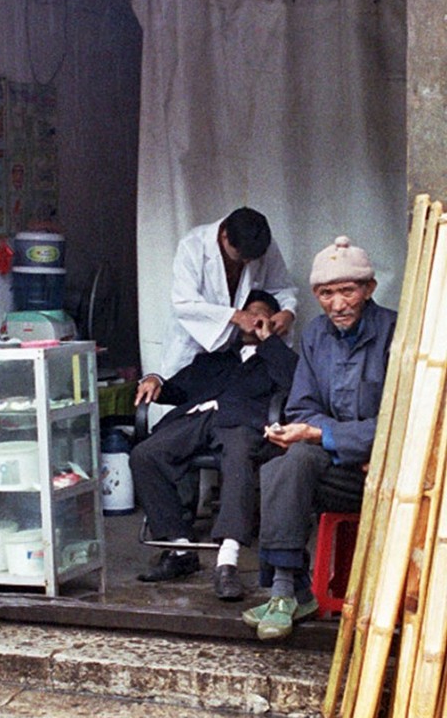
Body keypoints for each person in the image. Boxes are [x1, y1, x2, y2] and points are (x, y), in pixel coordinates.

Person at [244, 236, 397, 641]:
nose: (337, 304)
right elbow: (303, 407)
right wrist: (314, 433)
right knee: (287, 460)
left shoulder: (396, 333)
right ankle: (286, 590)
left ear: (369, 289)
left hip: (389, 473)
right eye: (326, 293)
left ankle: (287, 590)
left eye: (348, 290)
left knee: (298, 459)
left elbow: (401, 422)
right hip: (340, 466)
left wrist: (327, 435)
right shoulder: (315, 336)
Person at [130, 290, 298, 600]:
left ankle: (227, 562)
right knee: (145, 453)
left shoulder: (279, 359)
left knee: (238, 455)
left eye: (262, 314)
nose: (254, 320)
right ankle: (180, 550)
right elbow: (176, 388)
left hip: (244, 424)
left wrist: (270, 341)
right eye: (249, 314)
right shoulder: (214, 358)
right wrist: (153, 378)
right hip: (197, 420)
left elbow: (295, 385)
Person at [162, 207, 298, 378]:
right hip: (193, 345)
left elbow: (281, 287)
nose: (247, 262)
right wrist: (237, 317)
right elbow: (184, 303)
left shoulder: (263, 245)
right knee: (184, 393)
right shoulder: (193, 245)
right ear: (224, 236)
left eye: (252, 259)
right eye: (242, 256)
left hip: (234, 355)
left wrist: (288, 312)